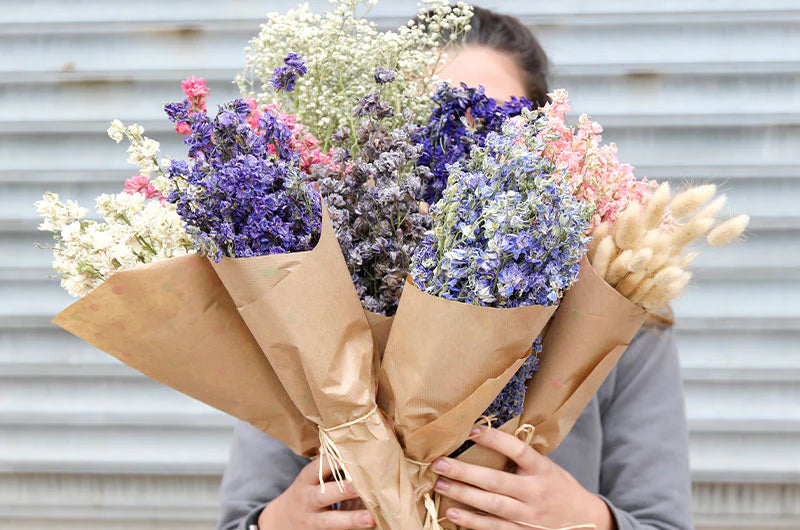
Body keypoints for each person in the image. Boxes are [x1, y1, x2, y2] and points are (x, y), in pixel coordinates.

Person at [217, 7, 693, 530]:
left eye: (492, 122)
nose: (460, 150)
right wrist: (280, 521)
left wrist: (586, 518)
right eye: (432, 121)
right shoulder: (308, 297)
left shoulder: (620, 317)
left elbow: (662, 521)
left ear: (544, 139)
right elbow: (241, 517)